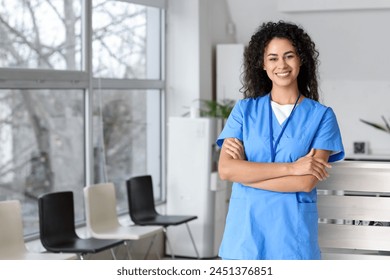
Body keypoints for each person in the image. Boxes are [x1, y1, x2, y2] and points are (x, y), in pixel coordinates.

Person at [216, 20, 344, 260]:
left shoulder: (322, 117)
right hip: (245, 237)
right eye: (273, 58)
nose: (281, 65)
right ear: (263, 64)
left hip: (291, 238)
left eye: (289, 56)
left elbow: (305, 182)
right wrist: (292, 168)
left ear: (301, 59)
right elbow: (225, 170)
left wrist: (245, 175)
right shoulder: (244, 111)